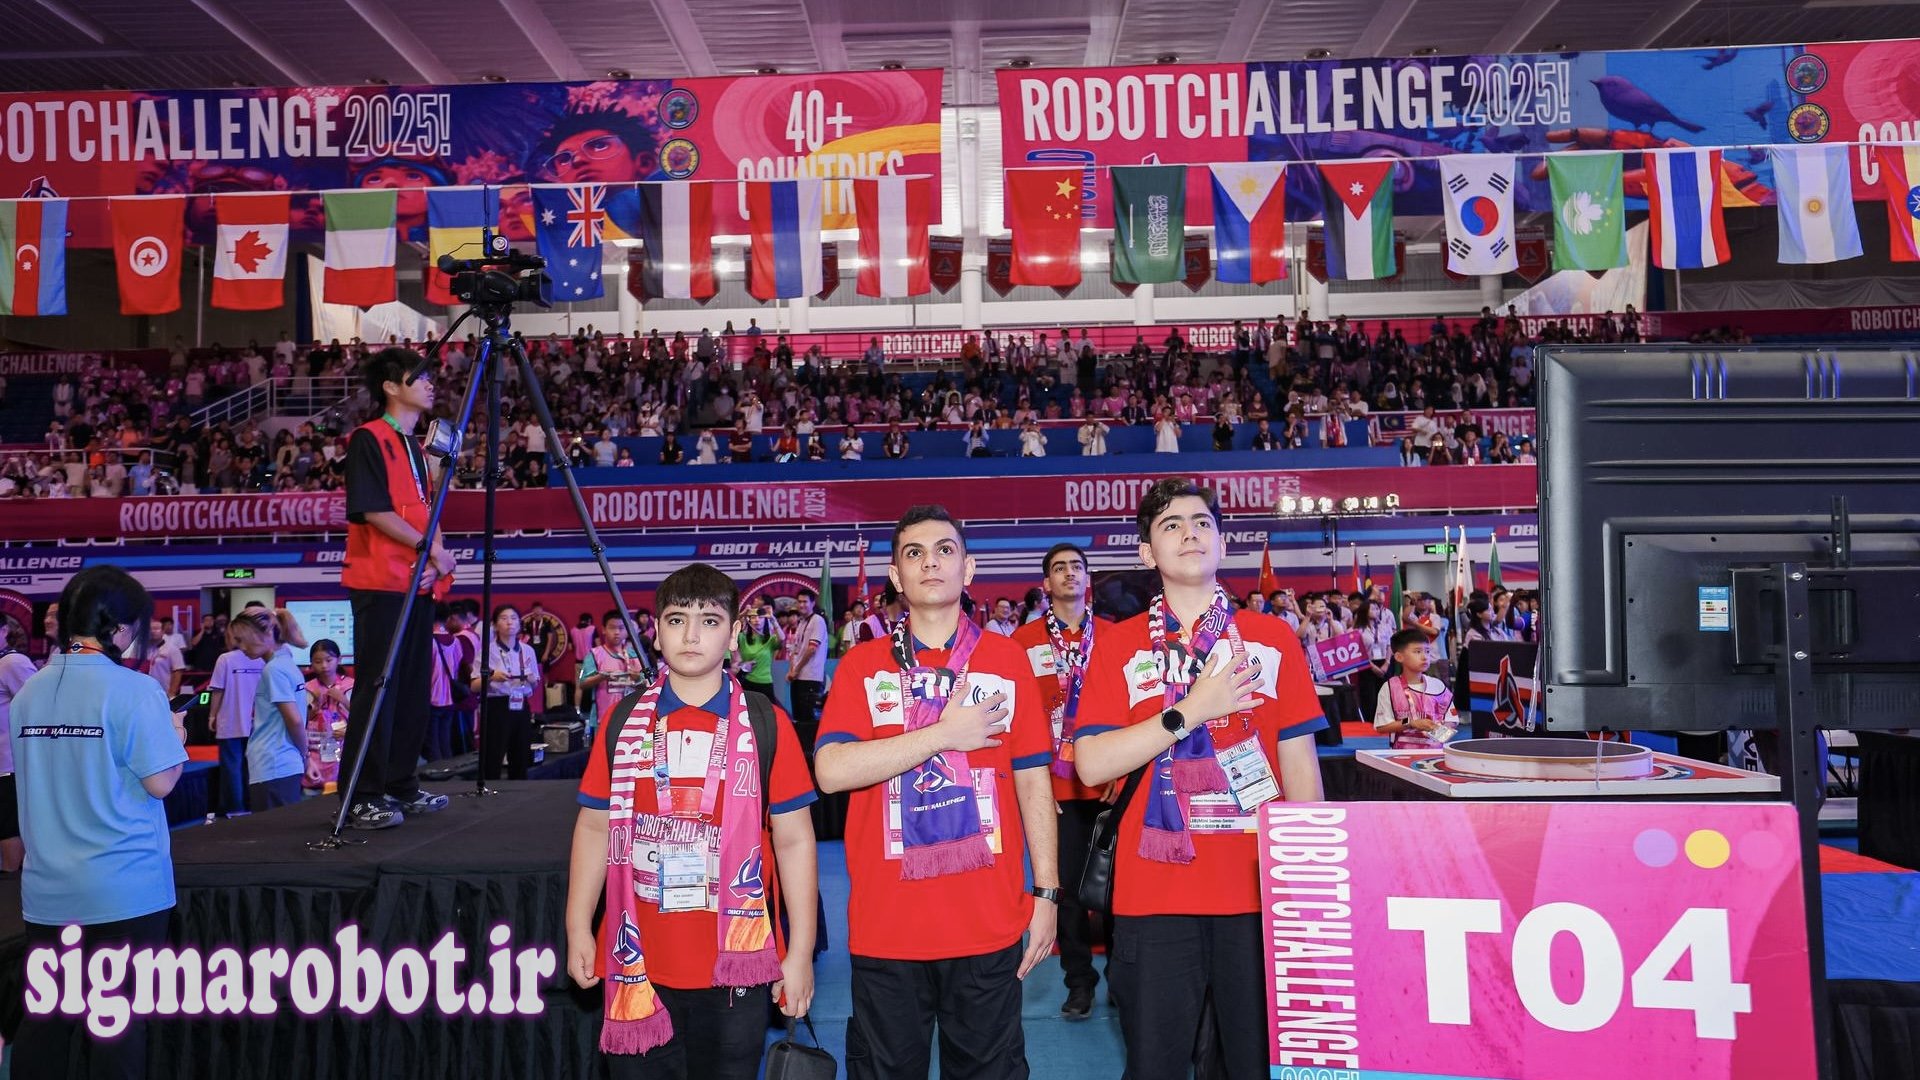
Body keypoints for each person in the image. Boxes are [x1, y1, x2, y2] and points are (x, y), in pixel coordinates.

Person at [1073, 478, 1326, 1080]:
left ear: (1222, 542)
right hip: (1154, 894)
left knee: (1255, 1065)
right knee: (1155, 1065)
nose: (1190, 534)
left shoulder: (1271, 637)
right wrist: (1192, 709)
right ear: (1146, 553)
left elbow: (1301, 770)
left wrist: (1307, 887)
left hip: (1258, 893)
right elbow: (1092, 764)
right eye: (1171, 525)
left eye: (1202, 523)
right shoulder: (1117, 645)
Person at [814, 505, 1059, 1080]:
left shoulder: (1007, 660)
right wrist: (943, 734)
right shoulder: (862, 666)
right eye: (914, 553)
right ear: (896, 576)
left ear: (967, 569)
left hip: (987, 922)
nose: (930, 563)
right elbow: (830, 771)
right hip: (887, 928)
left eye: (945, 550)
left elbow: (1033, 780)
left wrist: (1047, 893)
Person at [567, 564, 819, 1080]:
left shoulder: (766, 723)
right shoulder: (623, 721)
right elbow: (594, 827)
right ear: (656, 633)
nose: (690, 635)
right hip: (637, 957)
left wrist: (801, 953)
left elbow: (794, 841)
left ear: (733, 634)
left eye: (709, 621)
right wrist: (577, 926)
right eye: (677, 620)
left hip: (736, 967)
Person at [10, 567, 186, 1080]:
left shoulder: (30, 692)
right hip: (124, 889)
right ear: (121, 629)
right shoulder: (134, 689)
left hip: (48, 889)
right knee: (117, 1026)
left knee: (47, 1022)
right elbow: (161, 782)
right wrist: (174, 734)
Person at [341, 347, 454, 829]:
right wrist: (431, 549)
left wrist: (437, 557)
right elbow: (373, 511)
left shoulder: (419, 450)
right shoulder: (368, 438)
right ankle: (362, 795)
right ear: (391, 386)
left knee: (411, 691)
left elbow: (426, 512)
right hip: (380, 583)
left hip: (416, 584)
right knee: (378, 688)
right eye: (419, 376)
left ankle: (401, 784)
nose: (430, 383)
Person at [1009, 544, 1114, 1020]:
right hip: (1057, 789)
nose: (1069, 574)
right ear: (1046, 584)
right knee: (1066, 889)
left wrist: (1121, 772)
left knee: (1117, 888)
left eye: (1076, 566)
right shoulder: (1022, 641)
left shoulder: (1114, 637)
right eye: (1059, 568)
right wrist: (1036, 785)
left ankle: (1124, 977)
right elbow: (1018, 719)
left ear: (1087, 578)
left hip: (1110, 782)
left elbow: (1130, 710)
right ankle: (1079, 982)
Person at [230, 607, 315, 811]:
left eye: (242, 639)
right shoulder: (286, 664)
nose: (240, 647)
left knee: (274, 829)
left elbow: (294, 720)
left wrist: (305, 755)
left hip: (273, 764)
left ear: (264, 633)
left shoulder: (274, 669)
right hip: (281, 763)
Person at [477, 604, 543, 781]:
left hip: (521, 703)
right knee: (493, 753)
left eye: (513, 618)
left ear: (519, 624)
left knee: (521, 753)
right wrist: (491, 676)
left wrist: (531, 679)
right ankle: (488, 788)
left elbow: (535, 685)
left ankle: (518, 790)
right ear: (495, 624)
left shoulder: (527, 650)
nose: (509, 623)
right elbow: (474, 685)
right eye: (504, 618)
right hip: (497, 705)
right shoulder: (487, 651)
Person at [206, 624, 265, 818]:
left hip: (230, 721)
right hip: (259, 723)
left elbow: (218, 690)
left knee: (232, 768)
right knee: (254, 767)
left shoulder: (225, 659)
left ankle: (235, 809)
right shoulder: (263, 659)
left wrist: (212, 715)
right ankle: (254, 807)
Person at [1373, 628, 1460, 748]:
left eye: (1427, 651)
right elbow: (1382, 726)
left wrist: (1439, 733)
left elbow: (1452, 719)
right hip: (1402, 753)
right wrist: (1411, 723)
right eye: (1417, 652)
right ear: (1399, 657)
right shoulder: (1390, 687)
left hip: (1436, 753)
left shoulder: (1438, 686)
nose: (1425, 657)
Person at [580, 609, 649, 737]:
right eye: (612, 628)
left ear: (626, 630)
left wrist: (638, 679)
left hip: (631, 719)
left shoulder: (635, 655)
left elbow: (648, 685)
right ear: (604, 629)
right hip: (603, 718)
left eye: (621, 628)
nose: (617, 632)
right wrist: (602, 676)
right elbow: (583, 683)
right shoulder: (594, 655)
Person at [0, 618, 34, 873]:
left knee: (7, 827)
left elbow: (40, 706)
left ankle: (11, 885)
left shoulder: (12, 663)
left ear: (4, 631)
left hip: (9, 765)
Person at [305, 639, 352, 792]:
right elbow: (300, 721)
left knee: (342, 787)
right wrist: (315, 706)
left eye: (329, 660)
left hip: (342, 746)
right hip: (315, 748)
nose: (324, 666)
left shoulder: (350, 685)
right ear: (311, 663)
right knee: (313, 792)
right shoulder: (308, 688)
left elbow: (364, 718)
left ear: (339, 660)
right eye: (318, 662)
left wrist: (343, 700)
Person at [786, 590, 828, 755]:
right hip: (798, 677)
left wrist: (796, 670)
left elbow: (811, 649)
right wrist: (792, 669)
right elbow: (796, 649)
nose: (802, 605)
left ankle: (811, 757)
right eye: (799, 602)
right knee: (799, 719)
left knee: (809, 722)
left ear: (812, 603)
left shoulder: (817, 620)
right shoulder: (802, 622)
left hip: (811, 677)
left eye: (805, 602)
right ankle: (801, 755)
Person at [734, 605, 780, 699]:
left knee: (769, 708)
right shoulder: (742, 638)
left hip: (765, 682)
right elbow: (729, 630)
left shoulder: (770, 639)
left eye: (760, 617)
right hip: (747, 681)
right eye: (753, 617)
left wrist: (773, 619)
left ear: (765, 620)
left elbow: (782, 638)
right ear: (749, 620)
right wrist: (742, 614)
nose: (757, 620)